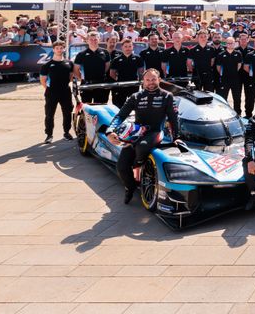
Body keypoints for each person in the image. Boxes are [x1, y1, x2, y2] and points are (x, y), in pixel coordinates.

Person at [106, 69, 178, 204]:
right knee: (121, 166)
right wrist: (110, 131)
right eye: (148, 80)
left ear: (159, 80)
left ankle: (138, 166)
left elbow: (174, 119)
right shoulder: (135, 96)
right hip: (137, 133)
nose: (151, 82)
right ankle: (130, 187)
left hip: (156, 132)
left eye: (153, 79)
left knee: (142, 146)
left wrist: (177, 137)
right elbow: (120, 115)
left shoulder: (167, 96)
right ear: (143, 81)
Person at [40, 41, 74, 144]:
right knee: (49, 114)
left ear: (64, 49)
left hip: (65, 92)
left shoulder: (69, 63)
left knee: (67, 113)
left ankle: (66, 133)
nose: (59, 50)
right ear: (53, 49)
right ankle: (49, 135)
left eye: (61, 48)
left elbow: (71, 77)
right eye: (57, 48)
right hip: (51, 92)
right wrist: (50, 89)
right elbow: (43, 80)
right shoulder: (47, 65)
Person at [74, 31, 111, 104]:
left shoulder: (105, 52)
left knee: (101, 107)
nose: (93, 41)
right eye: (91, 39)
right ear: (87, 40)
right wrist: (81, 78)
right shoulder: (81, 54)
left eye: (95, 39)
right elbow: (76, 69)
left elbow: (107, 66)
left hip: (101, 84)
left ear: (99, 40)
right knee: (87, 108)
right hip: (86, 85)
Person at [109, 38, 144, 107]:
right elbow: (112, 73)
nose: (128, 48)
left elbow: (141, 72)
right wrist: (119, 80)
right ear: (122, 47)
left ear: (132, 47)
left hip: (134, 85)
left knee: (135, 105)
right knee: (120, 105)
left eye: (130, 46)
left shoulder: (138, 58)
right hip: (121, 86)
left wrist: (139, 81)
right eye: (126, 46)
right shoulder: (116, 60)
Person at [216, 37, 244, 114]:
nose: (230, 44)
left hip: (236, 79)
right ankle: (223, 113)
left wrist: (233, 72)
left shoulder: (238, 53)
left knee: (237, 98)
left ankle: (237, 113)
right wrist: (225, 73)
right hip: (225, 79)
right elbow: (218, 67)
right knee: (223, 98)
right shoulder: (221, 54)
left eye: (231, 43)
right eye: (228, 43)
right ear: (226, 44)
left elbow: (239, 65)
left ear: (234, 43)